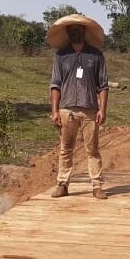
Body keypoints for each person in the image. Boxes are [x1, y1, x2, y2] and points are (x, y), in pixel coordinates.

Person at [47, 14, 109, 200]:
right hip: (66, 109)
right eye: (72, 29)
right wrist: (54, 111)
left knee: (93, 150)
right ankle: (62, 184)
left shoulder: (95, 56)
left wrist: (102, 109)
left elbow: (103, 85)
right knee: (65, 148)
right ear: (67, 32)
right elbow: (55, 85)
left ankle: (97, 186)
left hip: (89, 109)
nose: (75, 32)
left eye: (79, 29)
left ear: (84, 31)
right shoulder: (61, 56)